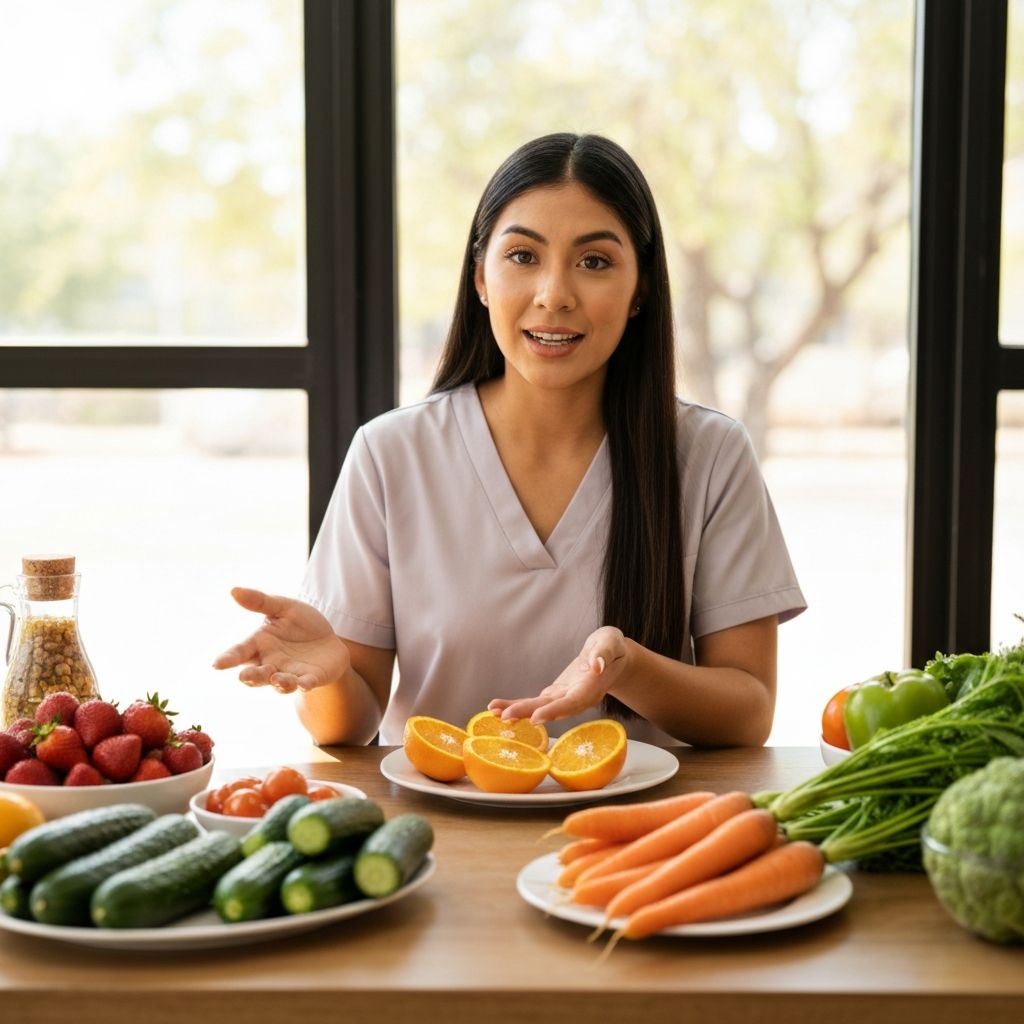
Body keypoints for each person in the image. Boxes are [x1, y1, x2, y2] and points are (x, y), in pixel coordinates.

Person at [213, 132, 806, 748]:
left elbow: (748, 715)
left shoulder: (710, 454)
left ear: (641, 292)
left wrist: (632, 670)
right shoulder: (390, 453)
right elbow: (348, 727)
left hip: (641, 832)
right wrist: (329, 677)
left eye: (595, 261)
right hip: (436, 829)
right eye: (523, 256)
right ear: (480, 279)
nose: (554, 294)